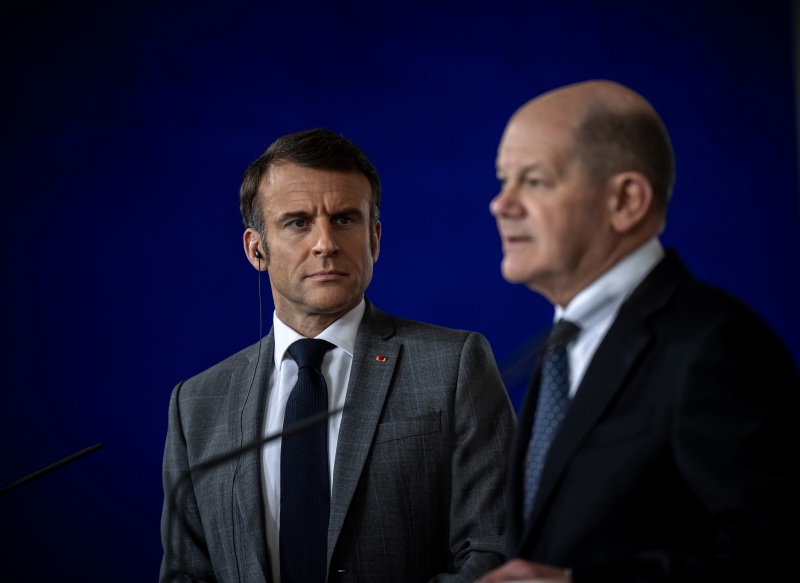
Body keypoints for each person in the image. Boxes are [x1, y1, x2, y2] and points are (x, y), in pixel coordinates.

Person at [478, 80, 800, 582]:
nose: (501, 204)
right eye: (504, 180)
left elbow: (774, 554)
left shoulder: (718, 345)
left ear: (626, 200)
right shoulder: (565, 342)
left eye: (535, 181)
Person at [160, 128, 515, 582]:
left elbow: (494, 551)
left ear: (374, 239)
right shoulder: (195, 405)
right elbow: (186, 574)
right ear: (256, 249)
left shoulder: (454, 365)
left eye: (345, 219)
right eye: (298, 223)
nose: (325, 243)